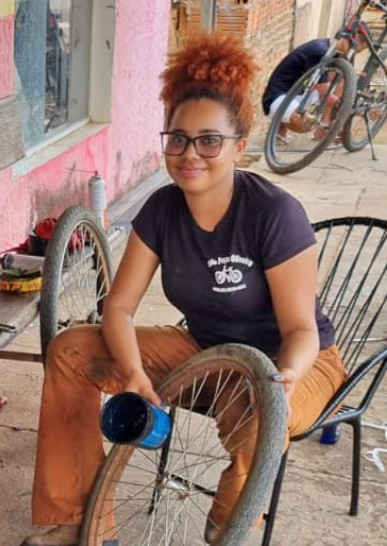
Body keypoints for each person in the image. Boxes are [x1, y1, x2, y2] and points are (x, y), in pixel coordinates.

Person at [23, 34, 346, 546]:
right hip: (206, 350)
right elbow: (119, 309)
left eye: (209, 140)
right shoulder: (162, 210)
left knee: (261, 418)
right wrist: (134, 373)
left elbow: (301, 330)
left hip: (294, 362)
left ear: (239, 146)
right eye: (177, 138)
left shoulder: (275, 214)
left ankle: (226, 534)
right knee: (70, 351)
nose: (190, 153)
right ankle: (78, 521)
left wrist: (284, 378)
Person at [262, 26, 368, 140]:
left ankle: (322, 129)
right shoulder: (319, 51)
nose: (354, 54)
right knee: (305, 125)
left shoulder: (332, 50)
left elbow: (332, 86)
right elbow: (324, 91)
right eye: (356, 50)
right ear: (347, 41)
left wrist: (330, 118)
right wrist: (349, 109)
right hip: (277, 97)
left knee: (341, 78)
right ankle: (280, 124)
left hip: (298, 93)